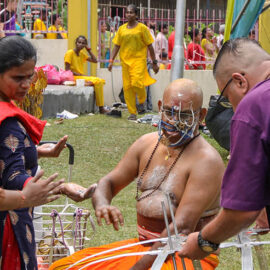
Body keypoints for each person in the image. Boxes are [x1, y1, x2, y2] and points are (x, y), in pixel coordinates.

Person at [50, 78, 225, 270]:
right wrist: (102, 204)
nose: (175, 123)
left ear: (201, 116)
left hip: (186, 257)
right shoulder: (146, 144)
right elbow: (108, 182)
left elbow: (180, 230)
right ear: (159, 108)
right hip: (143, 248)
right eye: (168, 112)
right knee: (64, 267)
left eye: (185, 115)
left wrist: (137, 268)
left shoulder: (207, 161)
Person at [0, 35, 96, 269]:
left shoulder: (7, 110)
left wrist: (38, 152)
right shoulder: (6, 121)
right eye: (17, 77)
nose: (26, 84)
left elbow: (6, 155)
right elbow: (13, 177)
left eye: (30, 76)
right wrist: (61, 188)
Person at [178, 38, 270, 261]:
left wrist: (205, 240)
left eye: (228, 99)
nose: (234, 108)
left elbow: (241, 210)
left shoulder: (253, 106)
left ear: (239, 82)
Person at [108, 4, 159, 121]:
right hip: (125, 62)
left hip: (139, 60)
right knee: (127, 87)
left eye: (131, 12)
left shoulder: (142, 28)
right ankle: (132, 113)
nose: (128, 14)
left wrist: (154, 62)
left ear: (136, 15)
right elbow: (116, 45)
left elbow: (150, 46)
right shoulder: (121, 29)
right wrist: (111, 61)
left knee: (137, 83)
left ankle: (141, 101)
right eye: (127, 12)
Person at [64, 35, 109, 114]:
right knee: (98, 81)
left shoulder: (82, 54)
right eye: (79, 42)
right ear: (76, 43)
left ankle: (101, 107)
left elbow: (95, 61)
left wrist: (88, 50)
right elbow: (67, 70)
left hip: (80, 77)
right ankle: (101, 108)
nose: (80, 44)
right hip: (72, 77)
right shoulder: (70, 53)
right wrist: (76, 73)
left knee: (100, 81)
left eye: (83, 43)